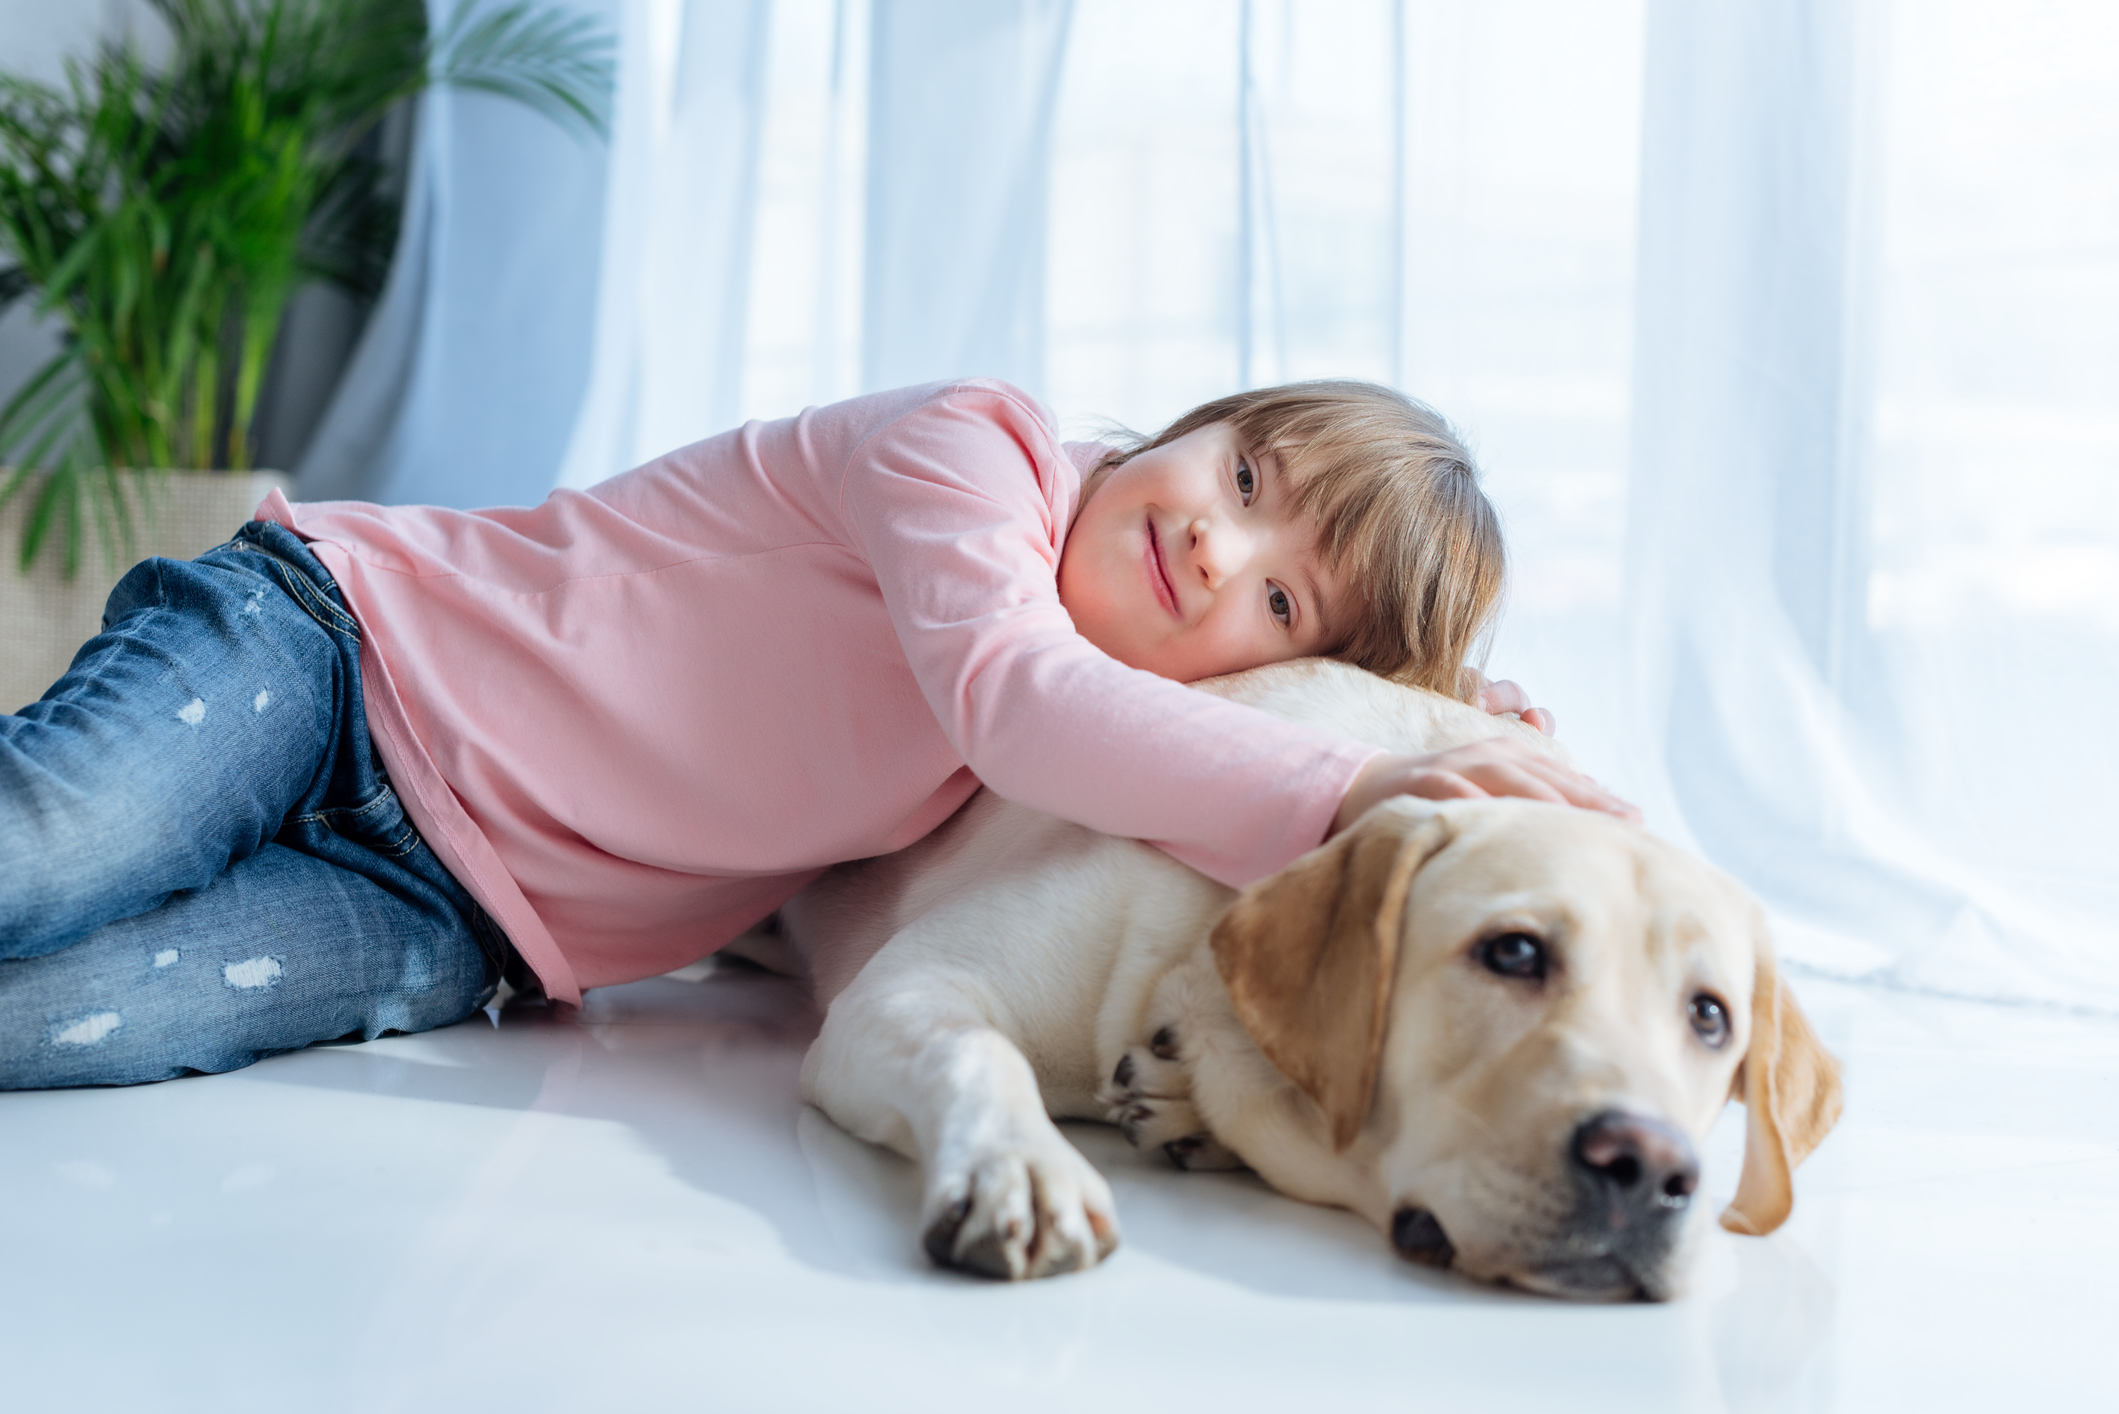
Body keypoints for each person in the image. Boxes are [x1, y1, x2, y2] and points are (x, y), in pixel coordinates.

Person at [0, 378, 1628, 1088]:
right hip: (339, 648)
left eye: (1282, 609)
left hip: (462, 912)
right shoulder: (971, 454)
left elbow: (1075, 754)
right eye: (1248, 479)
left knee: (67, 1021)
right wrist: (1368, 780)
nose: (1219, 544)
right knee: (46, 851)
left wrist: (1453, 718)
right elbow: (1018, 693)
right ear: (1195, 427)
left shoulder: (1053, 753)